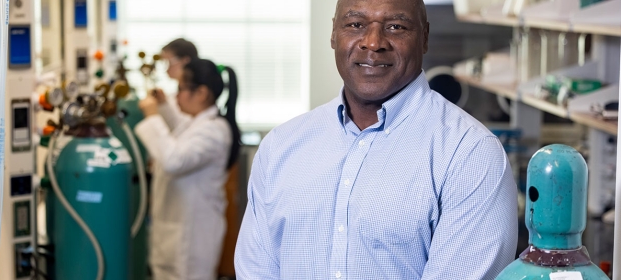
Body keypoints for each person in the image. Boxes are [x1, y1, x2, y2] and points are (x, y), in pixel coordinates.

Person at [234, 0, 518, 279]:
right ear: (334, 33)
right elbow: (256, 270)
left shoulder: (471, 154)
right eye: (355, 24)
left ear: (424, 37)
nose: (373, 42)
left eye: (396, 26)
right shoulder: (280, 146)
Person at [135, 57, 241, 280]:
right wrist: (162, 106)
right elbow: (179, 131)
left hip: (193, 237)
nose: (176, 95)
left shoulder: (215, 131)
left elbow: (175, 159)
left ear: (201, 93)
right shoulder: (196, 123)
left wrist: (153, 115)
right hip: (174, 231)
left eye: (181, 88)